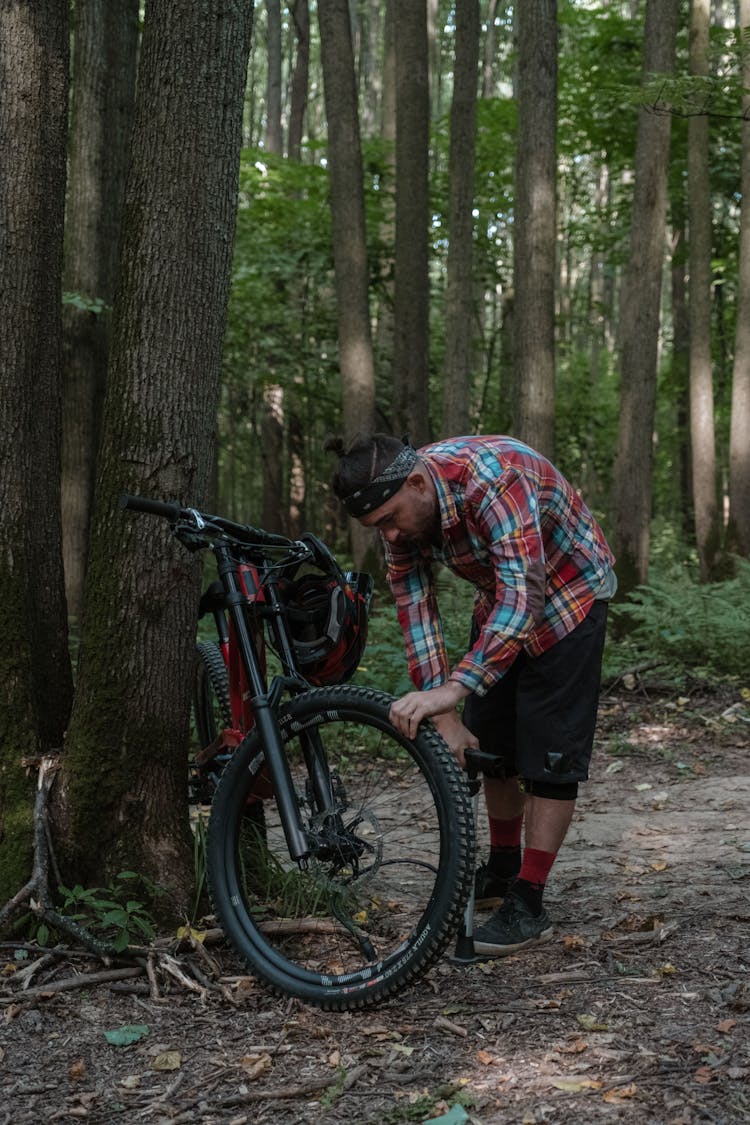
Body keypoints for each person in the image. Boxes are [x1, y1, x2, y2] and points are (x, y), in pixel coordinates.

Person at [327, 432, 616, 958]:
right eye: (377, 528)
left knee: (550, 751)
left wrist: (457, 685)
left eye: (391, 519)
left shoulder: (494, 478)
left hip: (569, 592)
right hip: (501, 603)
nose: (389, 534)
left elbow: (522, 593)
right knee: (491, 740)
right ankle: (504, 869)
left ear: (417, 483)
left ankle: (529, 900)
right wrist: (446, 714)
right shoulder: (402, 514)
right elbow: (415, 610)